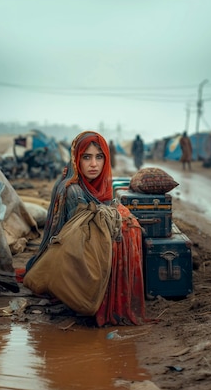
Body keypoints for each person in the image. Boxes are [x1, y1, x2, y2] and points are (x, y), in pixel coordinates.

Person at [26, 131, 149, 326]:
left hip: (82, 249)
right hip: (75, 258)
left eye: (99, 157)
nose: (94, 164)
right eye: (87, 157)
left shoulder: (96, 185)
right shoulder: (73, 189)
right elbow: (84, 240)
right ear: (76, 160)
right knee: (124, 233)